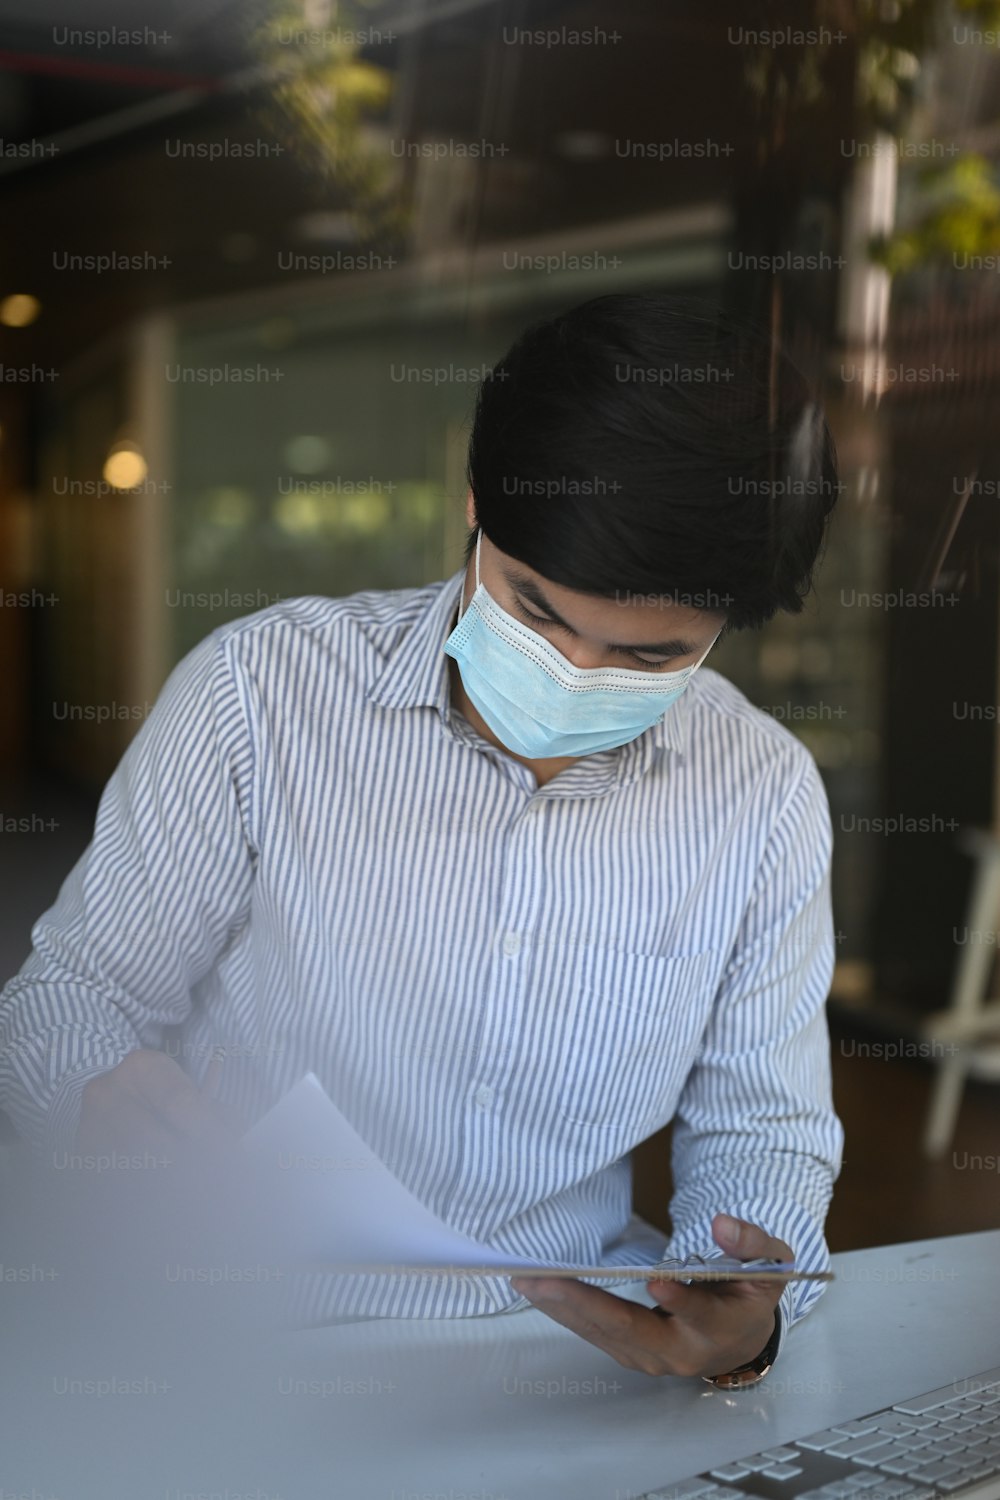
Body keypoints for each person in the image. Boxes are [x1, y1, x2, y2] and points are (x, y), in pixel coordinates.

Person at [0, 291, 844, 1384]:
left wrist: (743, 1318)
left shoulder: (762, 793)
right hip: (222, 1339)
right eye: (536, 611)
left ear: (726, 626)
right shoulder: (260, 696)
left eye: (645, 659)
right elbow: (69, 997)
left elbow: (764, 1127)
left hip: (557, 1362)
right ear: (476, 504)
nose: (574, 674)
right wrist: (88, 1097)